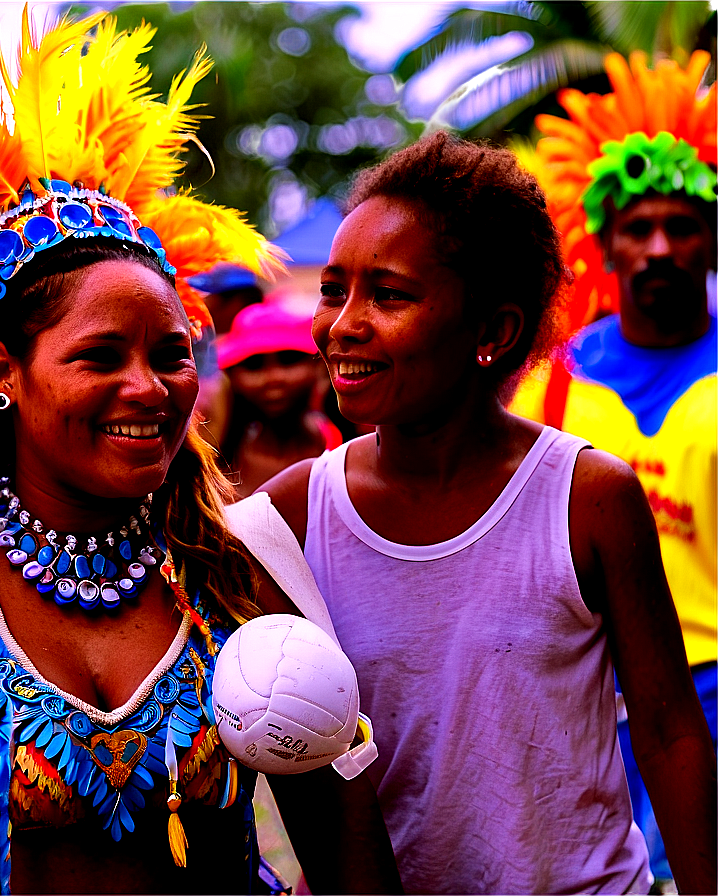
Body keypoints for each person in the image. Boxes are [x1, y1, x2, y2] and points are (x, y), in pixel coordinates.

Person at [0, 12, 402, 895]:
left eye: (172, 354)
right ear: (5, 371)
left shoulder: (232, 572)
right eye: (100, 356)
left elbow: (349, 848)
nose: (151, 387)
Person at [259, 129, 717, 894]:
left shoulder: (587, 497)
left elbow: (669, 735)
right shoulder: (297, 514)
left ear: (494, 333)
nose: (342, 323)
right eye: (334, 289)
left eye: (390, 294)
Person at [511, 51, 717, 891]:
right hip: (582, 701)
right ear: (604, 241)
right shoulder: (545, 383)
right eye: (638, 227)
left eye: (683, 224)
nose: (660, 246)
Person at [212, 300, 341, 499]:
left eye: (289, 359)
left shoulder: (348, 448)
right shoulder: (215, 461)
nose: (273, 379)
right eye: (253, 364)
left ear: (319, 365)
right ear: (232, 376)